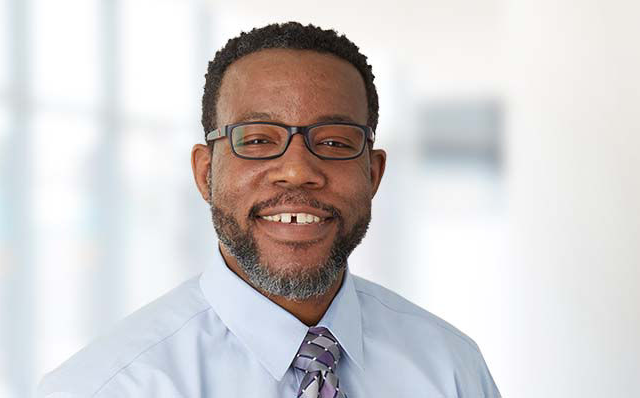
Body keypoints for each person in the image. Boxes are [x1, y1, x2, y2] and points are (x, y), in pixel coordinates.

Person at [39, 22, 500, 397]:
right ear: (205, 173)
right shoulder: (108, 387)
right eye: (258, 140)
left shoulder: (451, 369)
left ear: (373, 175)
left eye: (335, 142)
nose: (298, 171)